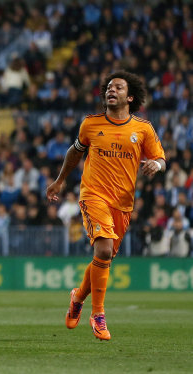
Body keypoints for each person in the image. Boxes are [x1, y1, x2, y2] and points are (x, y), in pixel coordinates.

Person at [46, 71, 166, 341]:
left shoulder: (143, 129)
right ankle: (97, 314)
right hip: (93, 195)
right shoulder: (90, 124)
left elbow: (161, 158)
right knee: (103, 247)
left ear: (130, 96)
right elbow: (75, 151)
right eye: (109, 88)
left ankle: (77, 297)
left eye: (118, 88)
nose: (111, 91)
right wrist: (59, 181)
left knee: (105, 256)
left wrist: (156, 165)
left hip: (123, 204)